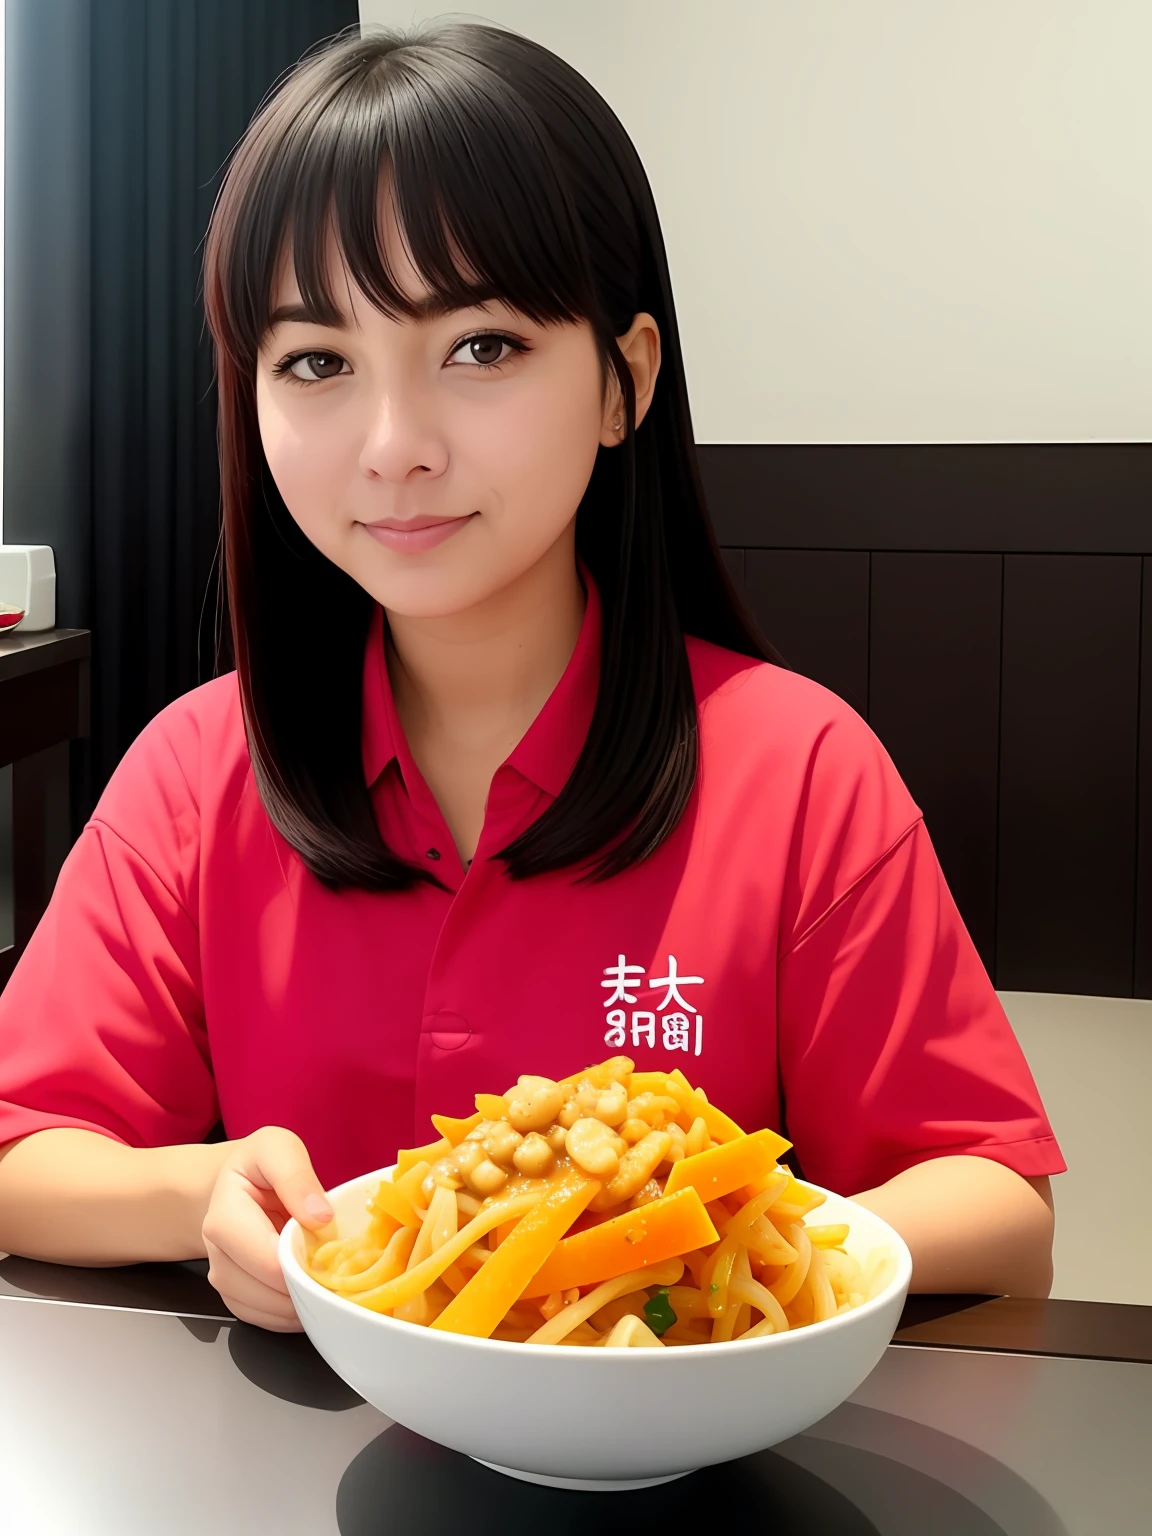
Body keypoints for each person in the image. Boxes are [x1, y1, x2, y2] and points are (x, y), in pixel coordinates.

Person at [0, 22, 1062, 1332]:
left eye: (482, 346)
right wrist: (200, 1194)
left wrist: (674, 1248)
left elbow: (999, 1204)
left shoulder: (798, 768)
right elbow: (23, 1146)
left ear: (626, 380)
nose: (394, 448)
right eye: (317, 362)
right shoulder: (197, 770)